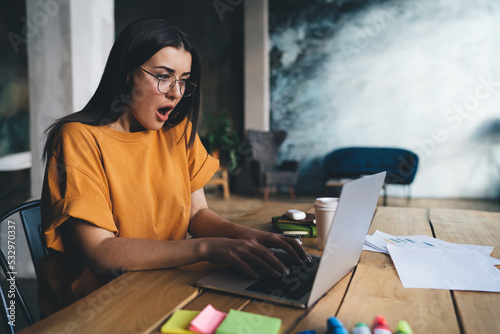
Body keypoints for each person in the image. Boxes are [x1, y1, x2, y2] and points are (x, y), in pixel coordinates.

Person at [38, 18, 308, 316]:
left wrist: (245, 235)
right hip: (99, 304)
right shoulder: (78, 137)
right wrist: (205, 247)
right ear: (126, 74)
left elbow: (197, 213)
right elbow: (101, 253)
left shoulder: (178, 131)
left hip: (162, 281)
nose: (176, 93)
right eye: (164, 76)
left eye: (183, 80)